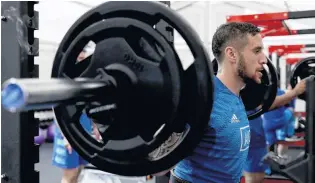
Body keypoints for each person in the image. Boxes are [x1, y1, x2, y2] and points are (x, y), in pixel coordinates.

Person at [169, 22, 308, 183]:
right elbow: (160, 161)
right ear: (232, 55)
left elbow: (266, 105)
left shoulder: (238, 95)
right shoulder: (203, 100)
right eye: (257, 51)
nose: (264, 59)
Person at [52, 50, 100, 183]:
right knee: (70, 174)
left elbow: (91, 104)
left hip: (83, 128)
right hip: (67, 129)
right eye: (79, 55)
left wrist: (96, 126)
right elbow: (56, 109)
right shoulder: (62, 78)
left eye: (83, 55)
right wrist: (66, 135)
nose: (81, 58)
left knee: (80, 170)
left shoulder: (86, 77)